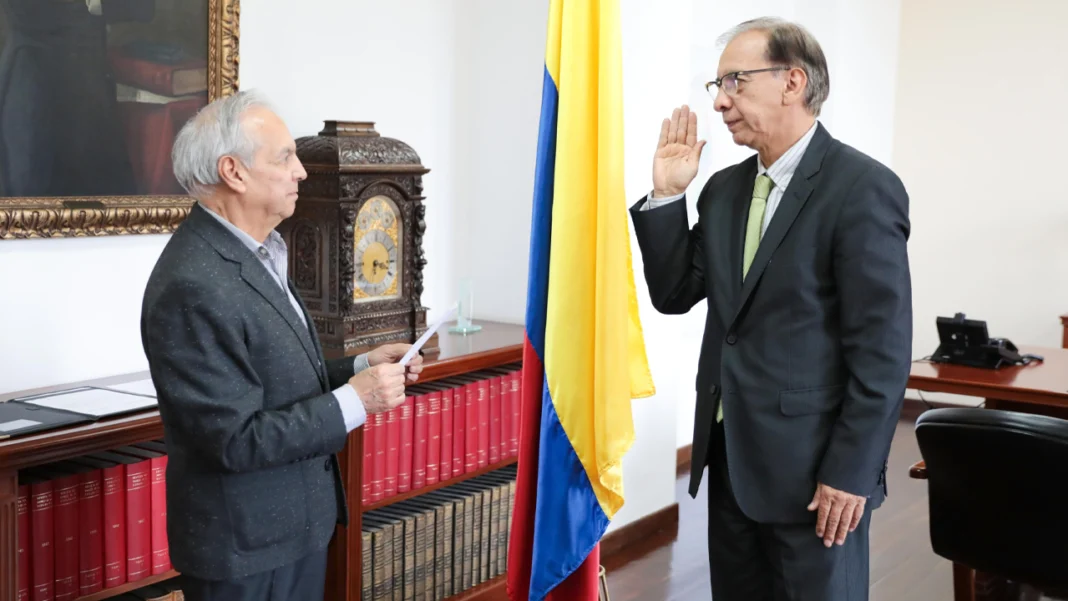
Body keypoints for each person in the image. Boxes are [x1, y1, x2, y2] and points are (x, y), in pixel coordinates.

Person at [629, 17, 912, 601]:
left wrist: (850, 472)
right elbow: (675, 292)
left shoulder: (862, 188)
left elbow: (881, 354)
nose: (721, 102)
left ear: (792, 81)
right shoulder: (724, 190)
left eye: (734, 81)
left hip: (815, 476)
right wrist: (666, 196)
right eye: (717, 87)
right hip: (731, 458)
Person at [140, 89, 423, 601]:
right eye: (285, 157)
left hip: (291, 530)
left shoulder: (260, 250)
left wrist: (359, 363)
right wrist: (357, 399)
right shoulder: (194, 283)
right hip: (244, 548)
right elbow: (233, 440)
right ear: (234, 172)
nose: (301, 172)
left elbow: (274, 374)